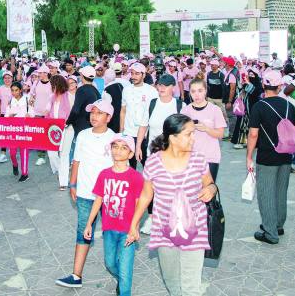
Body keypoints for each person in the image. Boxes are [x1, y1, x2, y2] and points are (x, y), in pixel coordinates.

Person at [128, 114, 217, 296]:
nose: (193, 138)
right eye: (188, 134)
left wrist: (211, 189)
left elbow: (210, 183)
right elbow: (146, 196)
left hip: (196, 229)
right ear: (173, 138)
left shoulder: (199, 159)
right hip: (164, 231)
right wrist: (134, 225)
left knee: (191, 287)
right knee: (172, 282)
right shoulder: (153, 162)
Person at [56, 99, 115, 289]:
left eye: (99, 113)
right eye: (93, 112)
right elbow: (77, 160)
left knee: (112, 233)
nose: (94, 116)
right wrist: (72, 184)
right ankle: (76, 275)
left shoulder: (114, 138)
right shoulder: (82, 135)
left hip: (107, 196)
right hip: (85, 192)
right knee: (83, 232)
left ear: (109, 117)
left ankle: (119, 270)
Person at [82, 134, 143, 296]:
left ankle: (124, 287)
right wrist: (89, 223)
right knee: (110, 263)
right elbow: (98, 200)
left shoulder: (136, 177)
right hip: (109, 228)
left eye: (124, 147)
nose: (118, 150)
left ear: (131, 154)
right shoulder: (104, 174)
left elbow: (139, 204)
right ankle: (123, 280)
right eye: (115, 146)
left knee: (125, 268)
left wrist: (135, 228)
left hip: (127, 231)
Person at [245, 71, 295, 244]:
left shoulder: (259, 107)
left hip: (267, 155)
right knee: (280, 191)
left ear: (263, 85)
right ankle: (278, 225)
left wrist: (249, 156)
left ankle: (270, 233)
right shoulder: (288, 106)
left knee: (266, 193)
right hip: (285, 154)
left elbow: (253, 134)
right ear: (279, 86)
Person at [136, 74, 184, 235]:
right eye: (159, 85)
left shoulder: (180, 106)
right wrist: (138, 148)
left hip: (174, 155)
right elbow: (143, 127)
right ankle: (151, 219)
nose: (162, 87)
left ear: (173, 87)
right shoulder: (152, 104)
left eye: (166, 85)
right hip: (153, 153)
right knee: (150, 187)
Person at [181, 78, 226, 182]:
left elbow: (220, 134)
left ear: (206, 90)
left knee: (208, 192)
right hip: (190, 158)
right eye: (193, 91)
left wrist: (206, 129)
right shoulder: (185, 111)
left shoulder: (215, 109)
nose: (197, 95)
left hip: (210, 157)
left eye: (200, 91)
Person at [120, 63, 159, 170]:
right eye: (132, 73)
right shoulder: (126, 90)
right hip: (129, 134)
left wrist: (149, 131)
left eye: (137, 74)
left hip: (145, 136)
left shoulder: (152, 91)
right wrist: (121, 132)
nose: (133, 77)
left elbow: (154, 114)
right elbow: (123, 112)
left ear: (143, 75)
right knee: (128, 168)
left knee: (148, 167)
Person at [44, 75, 73, 189]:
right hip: (53, 129)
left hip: (67, 129)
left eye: (54, 85)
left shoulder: (69, 97)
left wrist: (66, 122)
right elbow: (47, 109)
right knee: (51, 154)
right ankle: (60, 171)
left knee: (64, 154)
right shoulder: (51, 97)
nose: (52, 87)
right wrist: (45, 111)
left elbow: (72, 113)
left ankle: (63, 182)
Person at [6, 82, 35, 181]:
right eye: (12, 90)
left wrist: (28, 115)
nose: (14, 92)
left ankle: (24, 173)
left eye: (16, 90)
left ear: (21, 90)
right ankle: (15, 164)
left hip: (24, 129)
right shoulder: (10, 101)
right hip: (13, 130)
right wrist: (9, 116)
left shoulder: (27, 100)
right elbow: (6, 115)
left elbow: (32, 112)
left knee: (24, 151)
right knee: (12, 152)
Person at [31, 65, 53, 166]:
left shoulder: (52, 83)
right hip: (38, 112)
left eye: (40, 73)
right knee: (39, 134)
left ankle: (52, 153)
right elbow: (32, 95)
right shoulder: (36, 83)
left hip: (50, 112)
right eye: (38, 73)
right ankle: (41, 156)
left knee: (51, 133)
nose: (39, 74)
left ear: (46, 73)